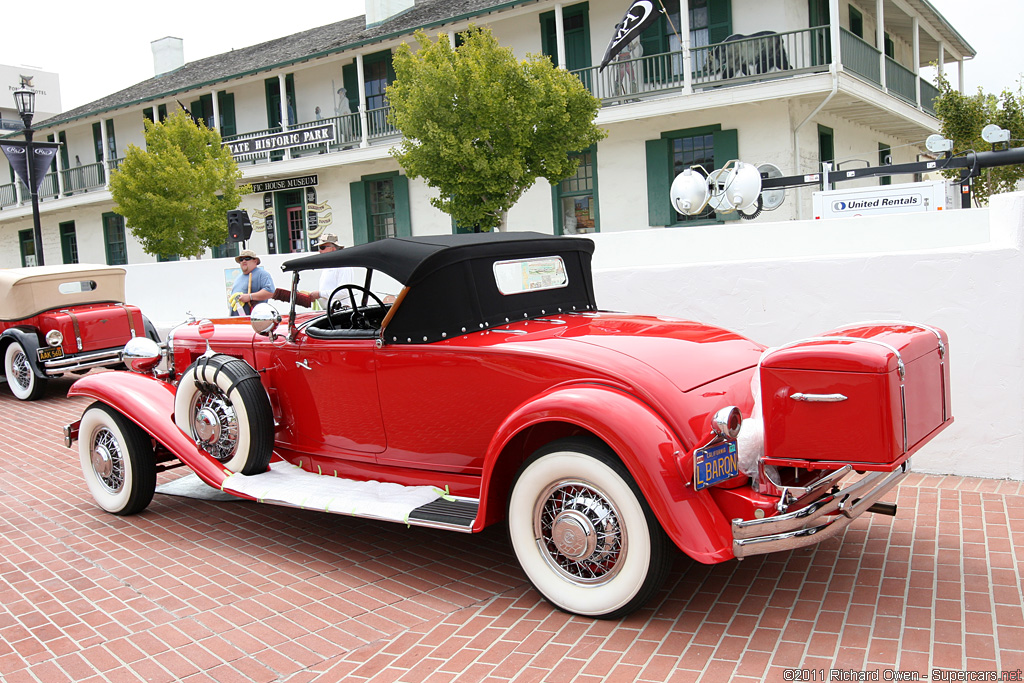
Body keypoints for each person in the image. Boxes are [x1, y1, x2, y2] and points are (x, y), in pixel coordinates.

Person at [307, 233, 359, 305]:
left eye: (322, 247)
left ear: (333, 248)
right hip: (329, 311)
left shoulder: (343, 266)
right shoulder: (328, 266)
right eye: (319, 248)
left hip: (340, 311)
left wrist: (320, 294)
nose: (320, 251)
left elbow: (344, 291)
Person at [229, 250, 275, 316]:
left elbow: (270, 292)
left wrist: (250, 297)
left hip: (254, 319)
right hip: (237, 321)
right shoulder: (238, 278)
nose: (243, 261)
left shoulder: (262, 274)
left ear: (255, 261)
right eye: (241, 259)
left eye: (247, 258)